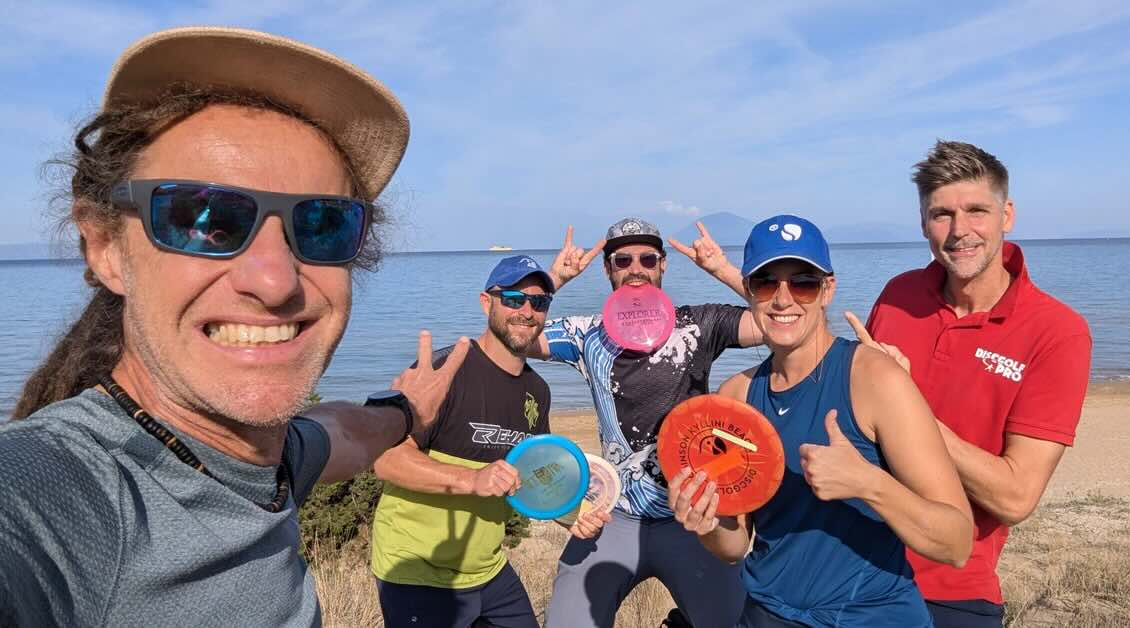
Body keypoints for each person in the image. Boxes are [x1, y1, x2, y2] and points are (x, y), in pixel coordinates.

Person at [0, 27, 468, 626]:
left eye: (321, 224)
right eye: (206, 220)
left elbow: (339, 432)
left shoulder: (264, 462)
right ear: (105, 247)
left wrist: (405, 413)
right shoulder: (59, 495)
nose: (275, 282)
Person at [668, 215, 974, 627]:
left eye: (803, 283)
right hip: (766, 613)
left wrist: (869, 483)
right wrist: (704, 523)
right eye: (765, 282)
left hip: (872, 616)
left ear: (827, 289)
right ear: (748, 291)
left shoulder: (875, 379)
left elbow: (956, 542)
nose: (783, 299)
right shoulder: (735, 397)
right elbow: (735, 545)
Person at [855, 140, 1092, 627]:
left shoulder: (1057, 331)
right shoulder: (899, 295)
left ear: (1007, 214)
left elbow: (1015, 496)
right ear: (923, 222)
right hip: (848, 562)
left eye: (976, 211)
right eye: (941, 214)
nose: (959, 231)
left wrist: (906, 407)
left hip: (949, 581)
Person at [532, 218, 763, 628]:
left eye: (647, 258)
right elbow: (513, 335)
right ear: (607, 269)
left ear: (663, 265)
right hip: (613, 515)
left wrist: (723, 271)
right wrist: (553, 280)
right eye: (622, 259)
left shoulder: (699, 324)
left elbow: (778, 321)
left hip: (691, 518)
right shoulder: (588, 334)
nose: (635, 267)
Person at [370, 255, 611, 628]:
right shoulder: (446, 371)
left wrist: (571, 516)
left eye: (539, 302)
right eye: (514, 299)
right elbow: (385, 459)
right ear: (487, 302)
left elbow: (531, 479)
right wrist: (472, 480)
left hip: (488, 569)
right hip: (418, 571)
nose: (527, 311)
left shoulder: (537, 391)